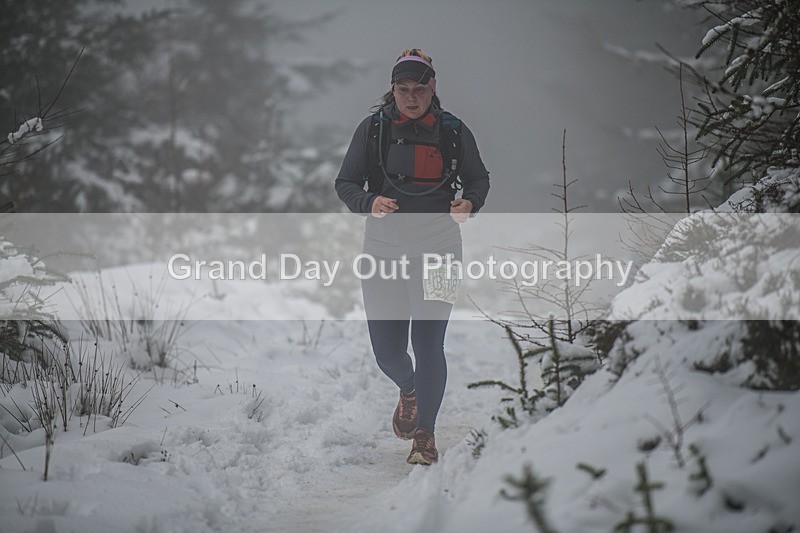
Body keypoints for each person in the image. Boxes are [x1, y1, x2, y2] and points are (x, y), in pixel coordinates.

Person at [335, 48, 489, 465]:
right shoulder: (372, 131)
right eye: (403, 90)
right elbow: (345, 183)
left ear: (433, 87)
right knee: (387, 352)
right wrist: (369, 202)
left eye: (419, 89)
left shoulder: (454, 131)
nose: (411, 98)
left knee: (428, 343)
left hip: (440, 248)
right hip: (383, 250)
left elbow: (478, 178)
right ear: (392, 90)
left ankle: (426, 436)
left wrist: (469, 203)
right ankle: (410, 388)